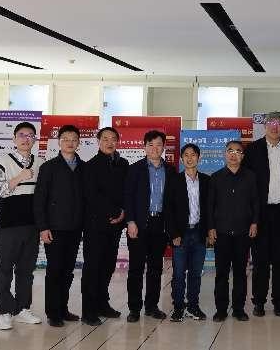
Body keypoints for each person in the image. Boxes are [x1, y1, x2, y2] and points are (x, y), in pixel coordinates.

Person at [241, 111, 280, 317]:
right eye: (272, 123)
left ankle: (279, 302)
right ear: (264, 126)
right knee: (260, 261)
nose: (275, 127)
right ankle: (259, 301)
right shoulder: (252, 150)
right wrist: (251, 216)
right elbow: (247, 184)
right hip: (260, 213)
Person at [0, 121, 42, 331]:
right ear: (14, 139)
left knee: (26, 270)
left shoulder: (40, 163)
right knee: (4, 269)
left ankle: (22, 309)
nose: (25, 139)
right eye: (21, 135)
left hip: (32, 225)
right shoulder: (3, 162)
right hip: (9, 225)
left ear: (34, 140)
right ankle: (4, 311)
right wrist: (20, 177)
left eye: (30, 135)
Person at [33, 125, 85, 327]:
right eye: (66, 139)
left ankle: (63, 308)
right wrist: (43, 227)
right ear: (59, 142)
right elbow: (40, 200)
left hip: (75, 227)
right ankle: (53, 312)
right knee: (55, 270)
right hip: (54, 227)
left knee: (68, 270)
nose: (70, 143)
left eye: (74, 139)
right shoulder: (49, 167)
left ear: (78, 142)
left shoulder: (83, 167)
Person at [124, 130, 175, 322]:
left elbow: (173, 201)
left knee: (155, 268)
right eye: (151, 144)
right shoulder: (135, 169)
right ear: (144, 146)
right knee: (136, 268)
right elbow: (128, 197)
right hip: (138, 224)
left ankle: (152, 306)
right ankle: (134, 309)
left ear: (164, 147)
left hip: (160, 224)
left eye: (159, 144)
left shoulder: (170, 170)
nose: (155, 148)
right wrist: (130, 221)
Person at [81, 126, 128, 325]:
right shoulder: (90, 166)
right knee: (93, 268)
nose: (110, 142)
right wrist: (113, 212)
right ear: (98, 142)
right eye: (105, 139)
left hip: (115, 225)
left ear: (118, 141)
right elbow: (91, 196)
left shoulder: (123, 163)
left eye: (113, 139)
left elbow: (126, 191)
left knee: (108, 266)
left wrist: (123, 213)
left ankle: (102, 303)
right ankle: (88, 311)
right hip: (95, 225)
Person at [209, 140, 259, 322]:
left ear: (242, 156)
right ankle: (221, 310)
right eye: (230, 151)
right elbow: (210, 205)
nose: (233, 154)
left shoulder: (251, 177)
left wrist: (254, 223)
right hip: (221, 232)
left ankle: (238, 309)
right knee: (221, 273)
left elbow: (255, 202)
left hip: (242, 232)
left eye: (238, 151)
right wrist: (211, 227)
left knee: (240, 273)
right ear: (225, 154)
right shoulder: (215, 178)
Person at [165, 143, 211, 322]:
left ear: (199, 157)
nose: (190, 158)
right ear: (181, 159)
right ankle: (178, 307)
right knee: (178, 274)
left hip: (199, 232)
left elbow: (210, 209)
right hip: (181, 234)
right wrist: (173, 234)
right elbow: (168, 209)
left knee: (195, 273)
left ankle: (193, 306)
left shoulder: (206, 181)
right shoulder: (174, 180)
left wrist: (208, 232)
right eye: (186, 155)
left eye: (193, 155)